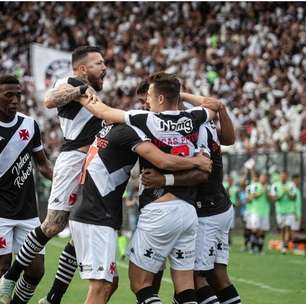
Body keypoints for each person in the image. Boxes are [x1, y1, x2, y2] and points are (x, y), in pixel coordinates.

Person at [79, 72, 219, 304]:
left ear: (161, 98)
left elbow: (102, 111)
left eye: (151, 96)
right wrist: (180, 93)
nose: (147, 101)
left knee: (140, 283)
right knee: (185, 285)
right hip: (188, 212)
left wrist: (80, 92)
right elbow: (214, 105)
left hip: (160, 209)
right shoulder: (195, 116)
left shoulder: (146, 119)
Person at [0, 46, 107, 304]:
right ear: (82, 68)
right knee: (54, 225)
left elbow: (42, 163)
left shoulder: (30, 124)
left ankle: (51, 298)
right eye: (99, 63)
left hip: (91, 163)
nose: (105, 67)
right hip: (73, 160)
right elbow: (49, 100)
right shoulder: (69, 81)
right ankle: (9, 278)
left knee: (82, 227)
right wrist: (80, 89)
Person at [142, 94, 241, 304]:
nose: (147, 106)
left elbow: (202, 171)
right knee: (217, 276)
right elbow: (229, 138)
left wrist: (163, 179)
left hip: (207, 209)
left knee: (195, 279)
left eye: (149, 100)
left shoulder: (191, 127)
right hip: (219, 205)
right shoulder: (203, 123)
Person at [0, 75, 53, 304]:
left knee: (36, 270)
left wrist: (64, 181)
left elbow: (42, 164)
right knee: (3, 267)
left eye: (18, 95)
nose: (15, 100)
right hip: (1, 213)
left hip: (29, 211)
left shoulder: (29, 125)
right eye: (8, 95)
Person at [270, 171, 295, 253]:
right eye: (282, 176)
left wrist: (287, 192)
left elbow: (293, 197)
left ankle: (285, 246)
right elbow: (274, 199)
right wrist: (281, 194)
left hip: (289, 210)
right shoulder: (275, 185)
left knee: (287, 227)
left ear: (287, 177)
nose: (283, 178)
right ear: (280, 177)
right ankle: (283, 242)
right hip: (280, 211)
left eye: (285, 176)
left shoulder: (291, 185)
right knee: (283, 228)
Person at [248, 174, 270, 254]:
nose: (264, 179)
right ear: (260, 178)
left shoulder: (268, 187)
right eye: (262, 177)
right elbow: (253, 196)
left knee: (262, 231)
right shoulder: (255, 186)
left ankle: (260, 248)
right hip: (256, 211)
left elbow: (270, 200)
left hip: (265, 211)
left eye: (265, 178)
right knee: (255, 229)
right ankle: (252, 247)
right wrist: (262, 190)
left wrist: (268, 193)